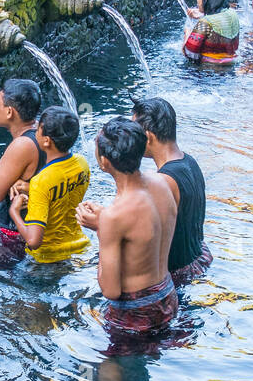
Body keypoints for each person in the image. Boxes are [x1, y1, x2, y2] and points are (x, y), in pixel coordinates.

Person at [77, 97, 212, 284]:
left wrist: (103, 225)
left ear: (148, 137)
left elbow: (145, 242)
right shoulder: (189, 162)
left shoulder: (162, 182)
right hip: (199, 258)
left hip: (176, 274)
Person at [76, 118, 179, 343]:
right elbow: (145, 229)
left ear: (104, 162)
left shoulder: (114, 216)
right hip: (168, 296)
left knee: (112, 376)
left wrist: (102, 228)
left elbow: (110, 290)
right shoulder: (163, 182)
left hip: (135, 314)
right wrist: (106, 220)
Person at [7, 106, 90, 264]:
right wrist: (29, 187)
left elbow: (33, 241)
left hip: (47, 258)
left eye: (38, 128)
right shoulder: (82, 163)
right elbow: (63, 188)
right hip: (79, 247)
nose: (35, 128)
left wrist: (14, 211)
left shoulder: (42, 181)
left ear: (47, 141)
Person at [0, 78, 46, 262]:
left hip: (15, 233)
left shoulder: (22, 145)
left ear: (10, 112)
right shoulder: (42, 131)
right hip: (37, 223)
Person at [182, 0, 241, 65]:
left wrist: (187, 34)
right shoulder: (233, 14)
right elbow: (218, 21)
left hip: (209, 70)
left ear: (206, 0)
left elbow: (190, 54)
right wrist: (202, 13)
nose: (197, 0)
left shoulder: (205, 23)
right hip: (232, 65)